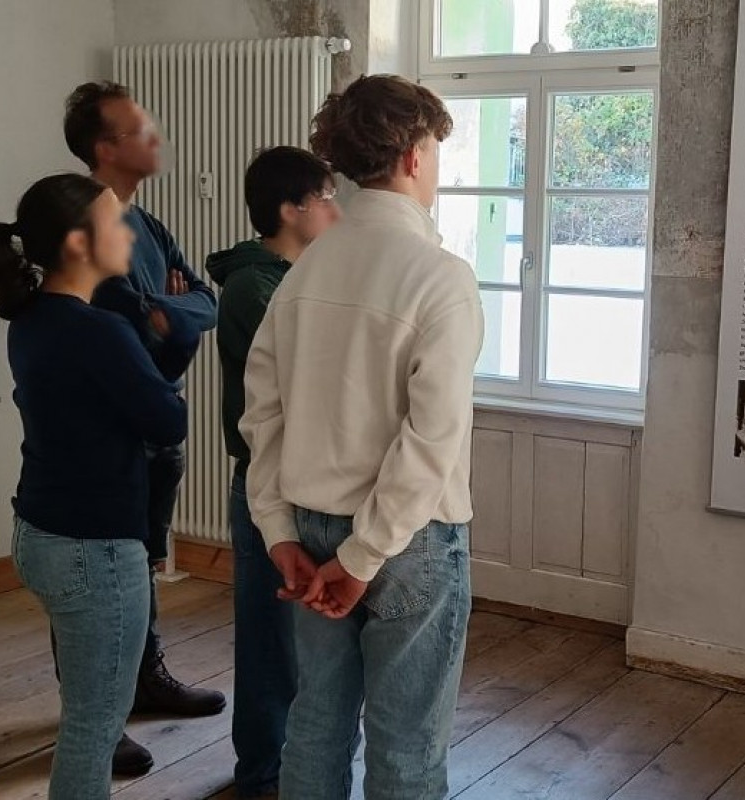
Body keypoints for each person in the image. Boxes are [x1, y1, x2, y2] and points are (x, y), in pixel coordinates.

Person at [240, 74, 483, 800]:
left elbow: (264, 413)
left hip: (310, 530)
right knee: (407, 745)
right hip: (406, 539)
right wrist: (366, 552)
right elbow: (431, 438)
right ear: (413, 156)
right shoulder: (440, 277)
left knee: (315, 722)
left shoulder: (304, 270)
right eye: (435, 149)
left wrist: (279, 530)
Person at [0, 174, 198, 798]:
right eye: (112, 221)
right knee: (95, 726)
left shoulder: (34, 319)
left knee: (87, 716)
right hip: (93, 549)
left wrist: (158, 352)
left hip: (39, 532)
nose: (127, 231)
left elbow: (123, 403)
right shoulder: (99, 331)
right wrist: (178, 338)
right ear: (78, 242)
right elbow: (166, 418)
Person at [63, 80, 222, 777]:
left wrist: (168, 316)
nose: (154, 136)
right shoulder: (78, 226)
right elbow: (129, 330)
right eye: (138, 129)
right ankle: (93, 714)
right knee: (97, 577)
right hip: (112, 431)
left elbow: (202, 303)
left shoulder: (149, 225)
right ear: (104, 148)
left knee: (145, 561)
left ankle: (144, 678)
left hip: (159, 423)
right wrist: (163, 318)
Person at [206, 146, 341, 799]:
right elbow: (313, 371)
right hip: (265, 483)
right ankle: (262, 770)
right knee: (268, 637)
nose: (336, 210)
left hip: (308, 478)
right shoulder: (251, 287)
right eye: (325, 198)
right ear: (292, 210)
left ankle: (301, 762)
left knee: (306, 633)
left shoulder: (298, 276)